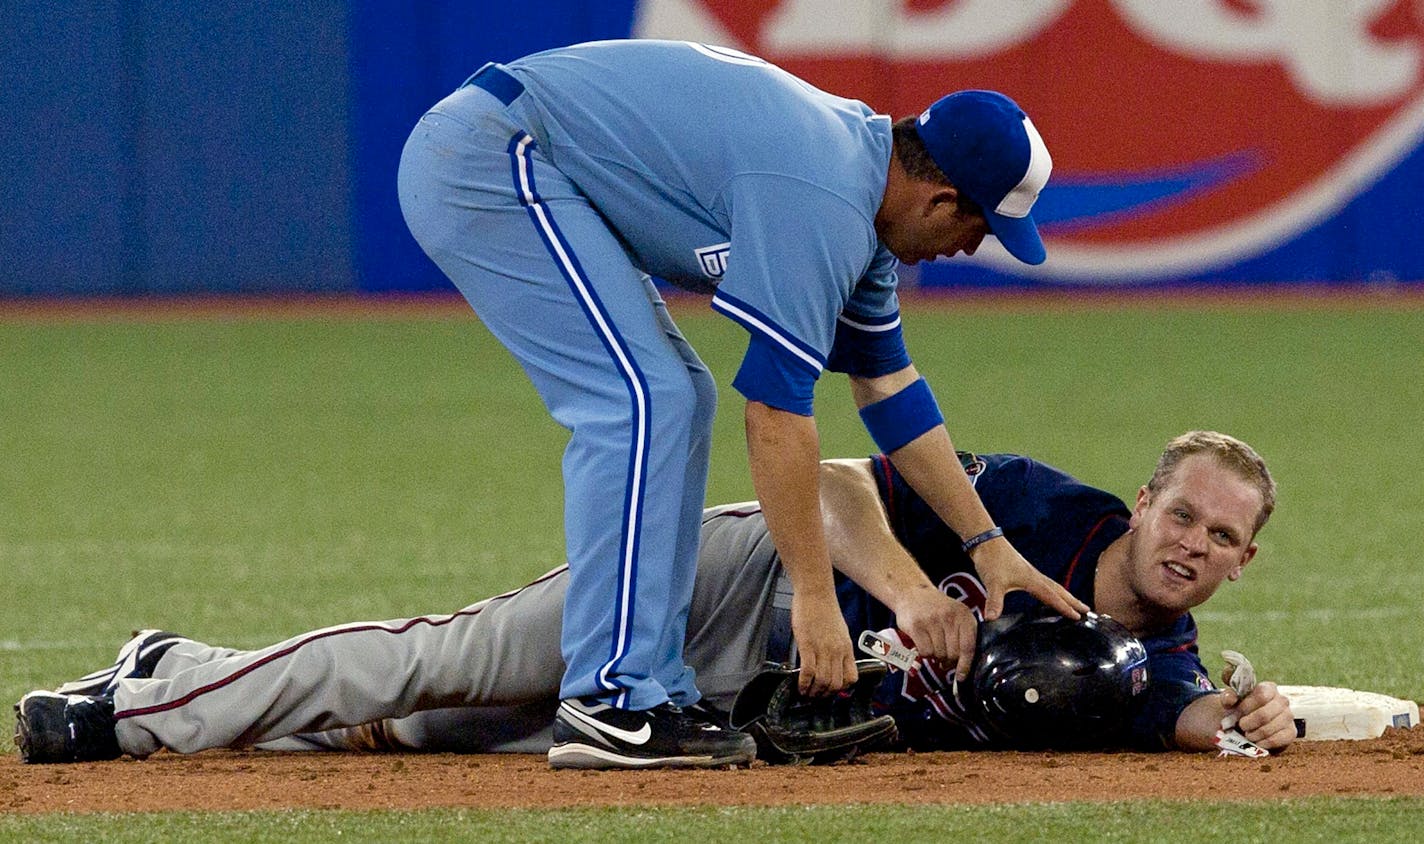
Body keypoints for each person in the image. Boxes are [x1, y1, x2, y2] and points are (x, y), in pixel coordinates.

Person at [390, 37, 1083, 768]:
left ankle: (647, 686)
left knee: (677, 397)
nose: (973, 247)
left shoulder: (863, 203)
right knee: (642, 398)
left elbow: (889, 391)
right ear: (940, 197)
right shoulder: (823, 198)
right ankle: (611, 699)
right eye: (980, 226)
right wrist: (815, 598)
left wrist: (990, 545)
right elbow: (777, 415)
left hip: (521, 149)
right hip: (490, 154)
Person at [14, 431, 1295, 766]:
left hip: (733, 705)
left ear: (1238, 564)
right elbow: (843, 482)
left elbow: (1200, 723)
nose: (1189, 542)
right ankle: (122, 716)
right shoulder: (1035, 507)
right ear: (1141, 500)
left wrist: (1259, 718)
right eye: (1180, 511)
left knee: (443, 731)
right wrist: (904, 588)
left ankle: (179, 663)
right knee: (439, 659)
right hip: (734, 571)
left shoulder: (1157, 664)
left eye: (1219, 536)